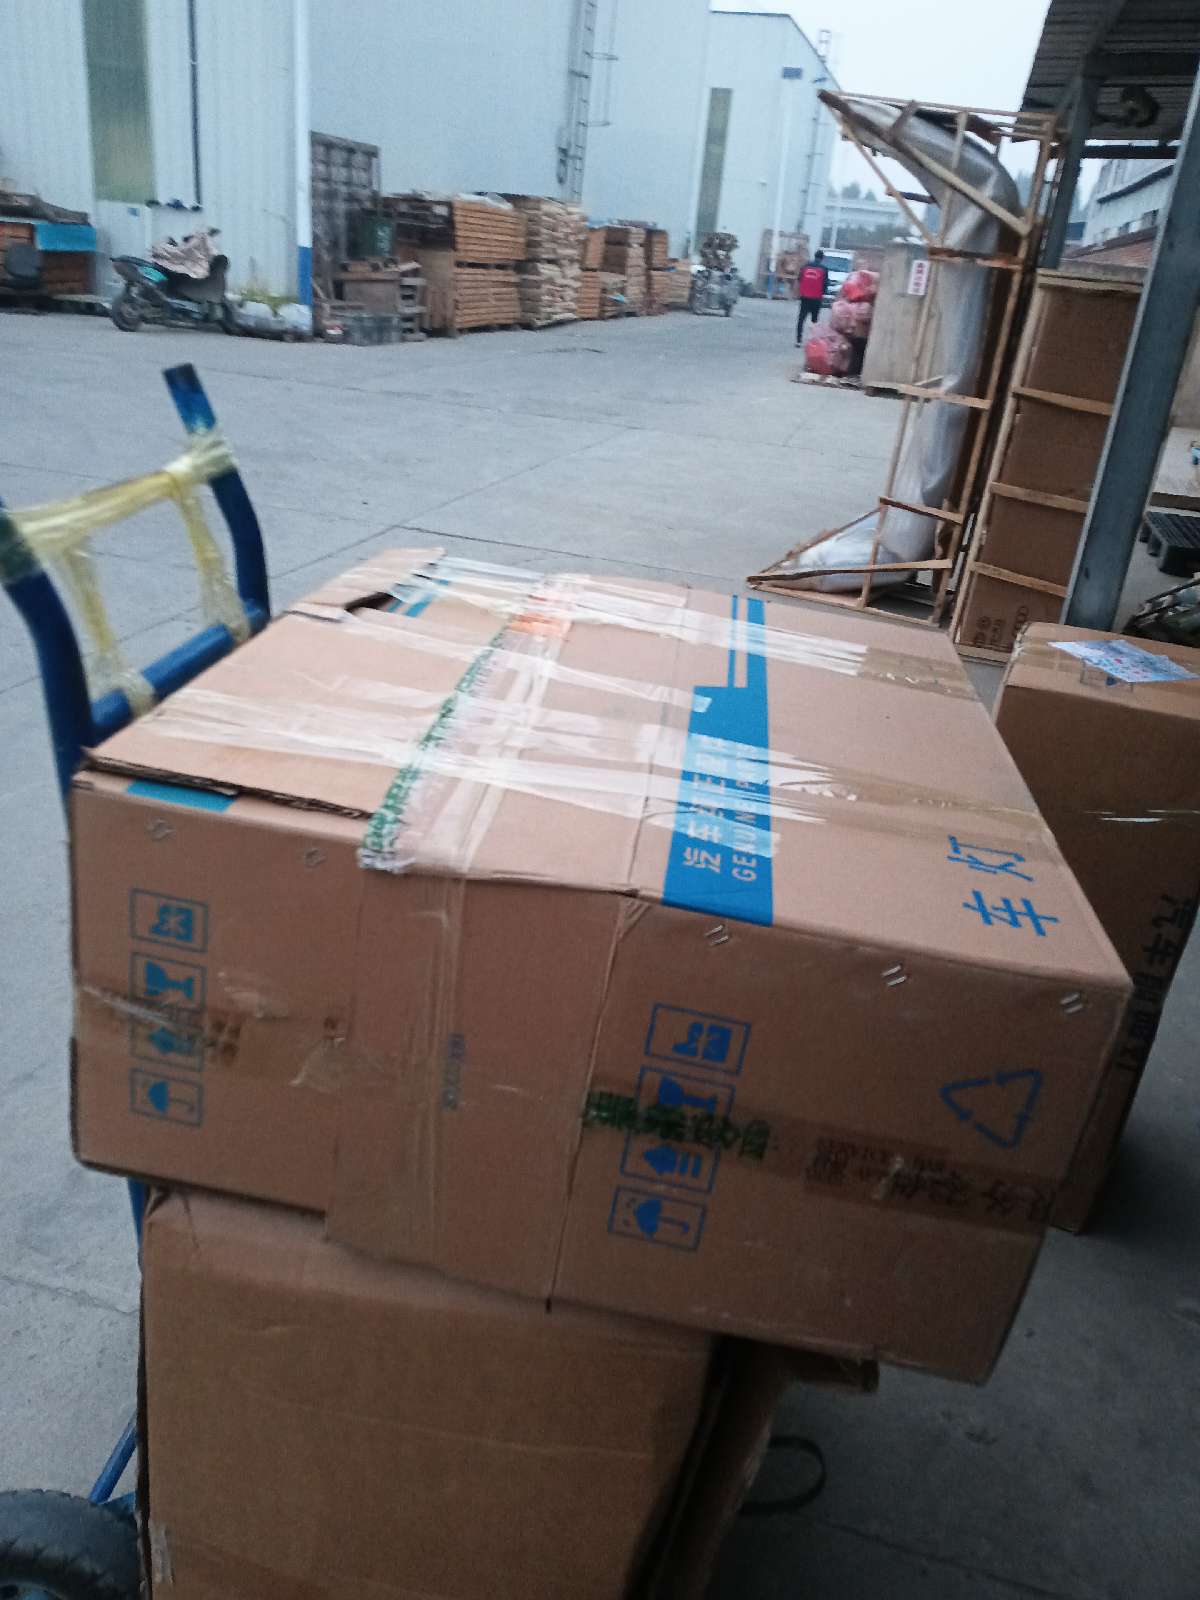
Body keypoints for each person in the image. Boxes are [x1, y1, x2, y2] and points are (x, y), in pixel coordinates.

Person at [795, 249, 828, 345]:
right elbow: (825, 284)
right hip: (816, 298)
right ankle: (813, 341)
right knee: (814, 321)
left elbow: (799, 280)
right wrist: (822, 294)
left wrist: (800, 292)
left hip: (805, 297)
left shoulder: (805, 267)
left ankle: (798, 340)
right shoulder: (824, 269)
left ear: (815, 256)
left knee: (801, 319)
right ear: (822, 258)